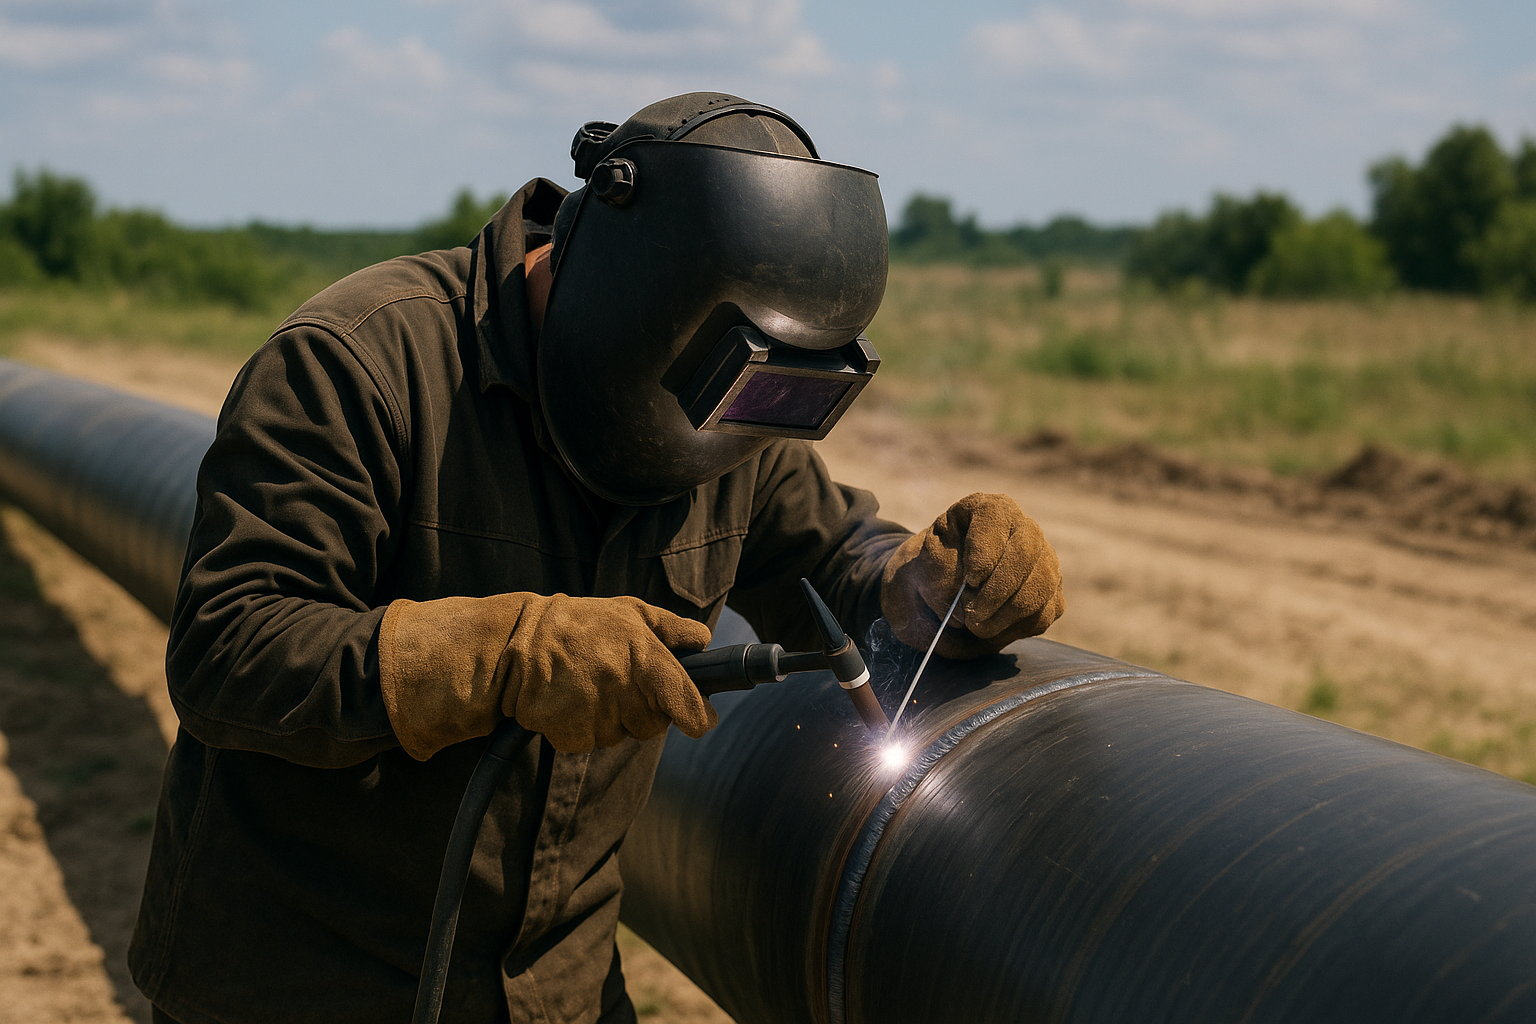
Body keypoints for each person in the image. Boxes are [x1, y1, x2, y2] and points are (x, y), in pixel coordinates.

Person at [129, 93, 1065, 1024]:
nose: (731, 430)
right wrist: (499, 655)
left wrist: (927, 585)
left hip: (553, 993)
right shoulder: (361, 364)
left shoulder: (732, 410)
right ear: (624, 287)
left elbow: (831, 560)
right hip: (304, 984)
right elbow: (230, 649)